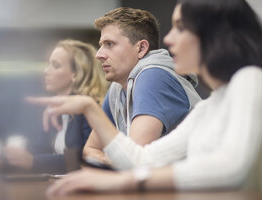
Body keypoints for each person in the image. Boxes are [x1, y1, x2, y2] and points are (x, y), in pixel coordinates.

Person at [27, 0, 262, 195]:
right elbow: (141, 159)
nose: (169, 39)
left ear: (214, 34)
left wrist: (125, 181)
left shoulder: (250, 79)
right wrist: (90, 108)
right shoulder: (209, 107)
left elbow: (231, 167)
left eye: (181, 27)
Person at [73, 7, 201, 166]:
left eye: (109, 44)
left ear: (141, 48)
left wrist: (111, 161)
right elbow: (90, 149)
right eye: (101, 45)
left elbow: (134, 161)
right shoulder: (118, 87)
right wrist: (115, 162)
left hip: (198, 187)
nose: (99, 54)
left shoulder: (153, 76)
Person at [0, 39, 108, 174]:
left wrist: (33, 162)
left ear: (75, 74)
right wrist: (1, 164)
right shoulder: (53, 110)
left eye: (55, 66)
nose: (46, 71)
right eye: (48, 65)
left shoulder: (90, 109)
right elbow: (36, 154)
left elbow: (87, 158)